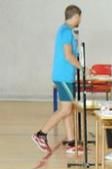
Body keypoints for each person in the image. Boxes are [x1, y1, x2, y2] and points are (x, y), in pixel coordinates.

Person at [32, 5, 83, 154]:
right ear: (75, 17)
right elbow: (68, 55)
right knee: (66, 109)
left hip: (64, 75)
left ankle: (71, 142)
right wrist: (82, 68)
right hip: (64, 76)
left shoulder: (64, 30)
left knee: (68, 109)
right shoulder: (66, 32)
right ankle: (41, 134)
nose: (80, 20)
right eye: (79, 17)